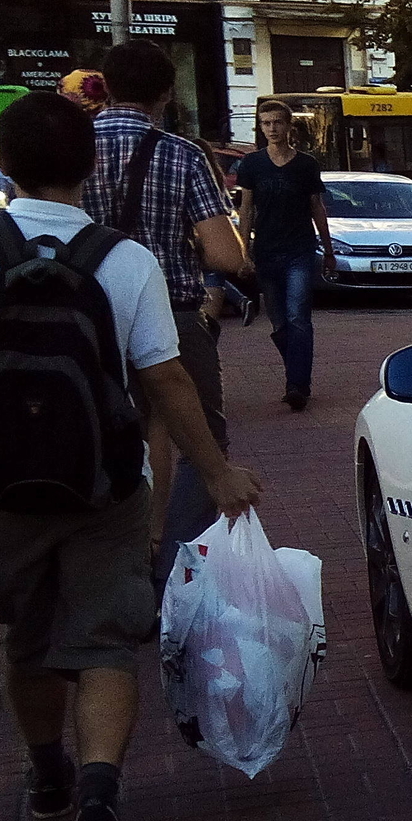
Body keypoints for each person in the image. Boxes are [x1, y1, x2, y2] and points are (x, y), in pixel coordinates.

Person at [0, 92, 262, 821]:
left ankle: (49, 770)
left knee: (27, 635)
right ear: (89, 164)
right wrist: (217, 471)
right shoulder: (125, 259)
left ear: (2, 163)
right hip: (106, 486)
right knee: (106, 638)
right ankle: (102, 795)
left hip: (0, 486)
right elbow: (167, 379)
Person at [82, 42, 251, 562]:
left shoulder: (72, 146)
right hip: (171, 315)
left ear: (105, 86)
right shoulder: (181, 153)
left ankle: (109, 549)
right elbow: (227, 256)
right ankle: (170, 555)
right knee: (201, 439)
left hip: (85, 318)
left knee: (103, 433)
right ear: (166, 92)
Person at [231, 98, 333, 410]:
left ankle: (297, 385)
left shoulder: (305, 165)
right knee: (279, 324)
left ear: (288, 126)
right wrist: (243, 252)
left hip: (299, 251)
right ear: (260, 128)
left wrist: (328, 250)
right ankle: (296, 371)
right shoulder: (252, 165)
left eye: (277, 122)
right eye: (266, 123)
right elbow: (246, 209)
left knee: (297, 317)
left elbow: (317, 207)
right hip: (266, 253)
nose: (272, 128)